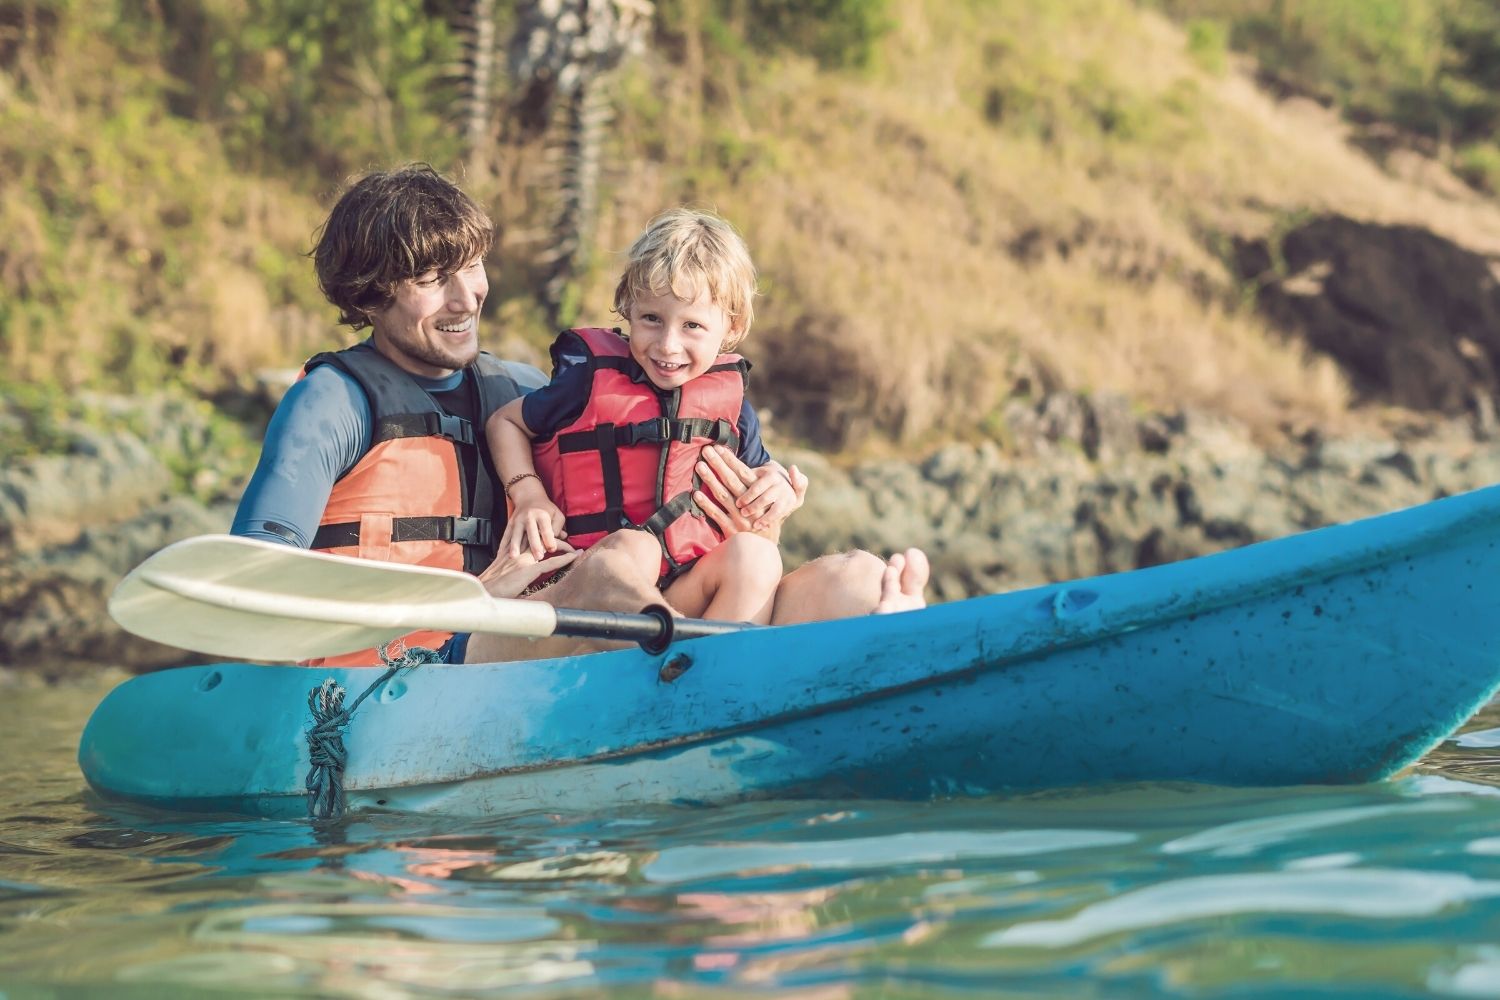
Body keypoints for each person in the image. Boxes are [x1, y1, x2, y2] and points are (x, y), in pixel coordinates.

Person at [486, 208, 797, 625]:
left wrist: (777, 487)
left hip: (687, 594)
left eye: (692, 326)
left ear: (731, 326)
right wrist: (528, 495)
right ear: (627, 308)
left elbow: (762, 479)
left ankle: (710, 675)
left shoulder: (735, 409)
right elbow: (505, 423)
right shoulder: (586, 383)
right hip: (594, 591)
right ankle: (659, 663)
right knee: (636, 548)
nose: (668, 346)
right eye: (652, 319)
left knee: (757, 557)